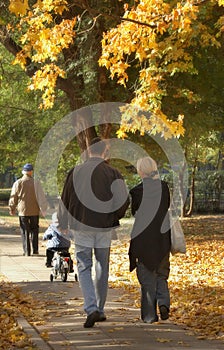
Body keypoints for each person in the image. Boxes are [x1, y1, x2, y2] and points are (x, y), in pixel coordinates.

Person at [57, 137, 130, 328]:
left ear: (88, 151)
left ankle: (91, 308)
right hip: (104, 227)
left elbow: (65, 199)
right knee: (102, 266)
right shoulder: (113, 173)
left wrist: (63, 222)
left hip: (81, 226)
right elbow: (123, 200)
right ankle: (100, 308)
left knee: (83, 266)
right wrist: (114, 216)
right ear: (104, 152)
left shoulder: (75, 172)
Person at [128, 156, 171, 323]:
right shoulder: (164, 188)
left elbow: (135, 213)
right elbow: (165, 207)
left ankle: (149, 316)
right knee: (161, 274)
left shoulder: (137, 191)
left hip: (144, 239)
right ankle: (164, 303)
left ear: (140, 171)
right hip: (162, 237)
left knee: (146, 278)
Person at [8, 163, 48, 256]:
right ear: (31, 172)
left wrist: (12, 208)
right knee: (34, 230)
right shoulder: (36, 183)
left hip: (23, 211)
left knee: (24, 230)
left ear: (23, 172)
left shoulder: (18, 183)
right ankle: (35, 250)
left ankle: (27, 251)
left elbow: (13, 197)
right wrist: (43, 208)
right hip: (34, 211)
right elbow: (41, 197)